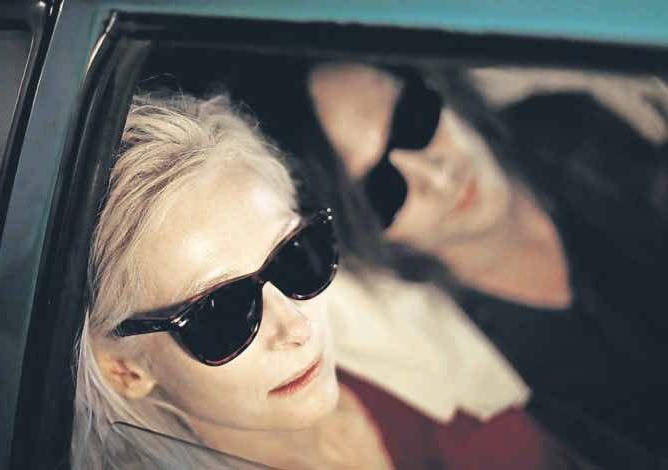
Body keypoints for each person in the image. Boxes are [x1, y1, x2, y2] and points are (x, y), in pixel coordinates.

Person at [71, 92, 584, 469]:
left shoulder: (398, 327)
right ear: (125, 371)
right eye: (222, 313)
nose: (295, 326)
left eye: (295, 257)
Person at [302, 62, 668, 462]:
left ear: (441, 87)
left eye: (413, 120)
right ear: (362, 233)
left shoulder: (580, 128)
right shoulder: (472, 372)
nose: (437, 176)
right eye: (381, 189)